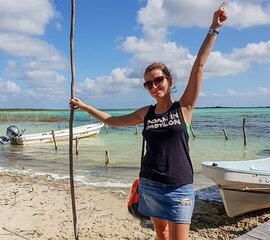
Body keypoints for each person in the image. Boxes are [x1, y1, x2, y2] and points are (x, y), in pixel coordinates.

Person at [70, 3, 228, 240]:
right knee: (161, 234)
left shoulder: (183, 108)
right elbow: (113, 121)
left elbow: (199, 65)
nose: (154, 87)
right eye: (148, 84)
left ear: (169, 80)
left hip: (180, 187)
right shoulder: (147, 113)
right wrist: (85, 107)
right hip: (150, 184)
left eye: (158, 80)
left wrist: (214, 28)